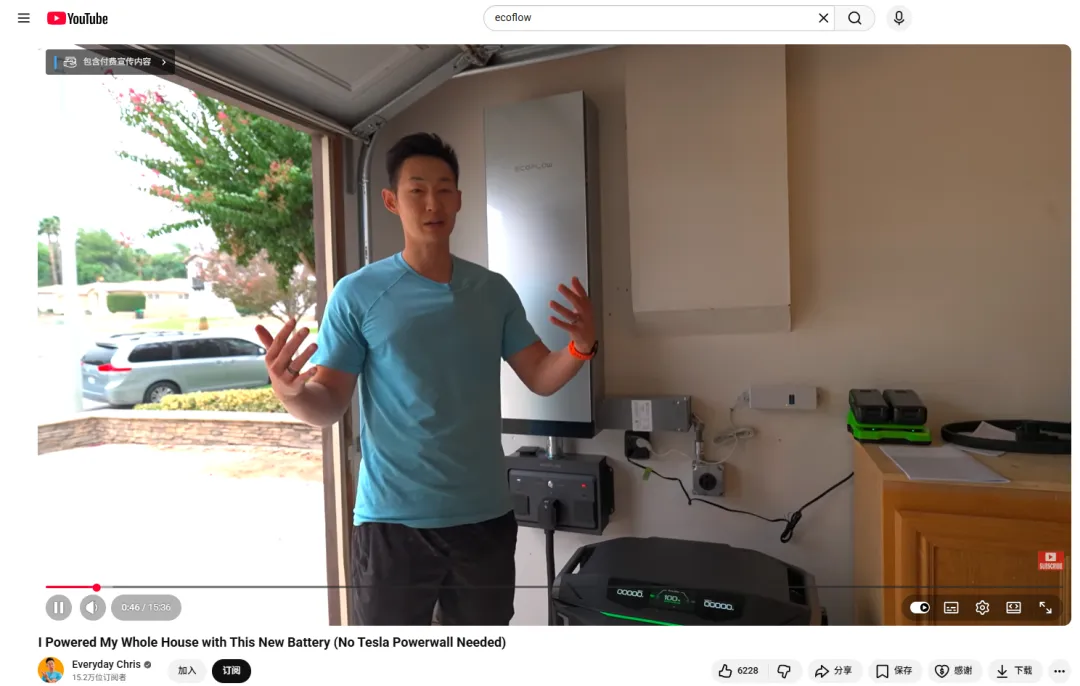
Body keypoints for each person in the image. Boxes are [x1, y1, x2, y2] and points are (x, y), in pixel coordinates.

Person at [256, 132, 598, 625]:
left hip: (484, 517)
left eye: (443, 189)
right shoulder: (358, 294)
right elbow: (327, 402)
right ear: (391, 201)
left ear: (459, 199)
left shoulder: (493, 291)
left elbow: (541, 376)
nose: (432, 203)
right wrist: (289, 391)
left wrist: (580, 346)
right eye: (417, 190)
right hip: (392, 522)